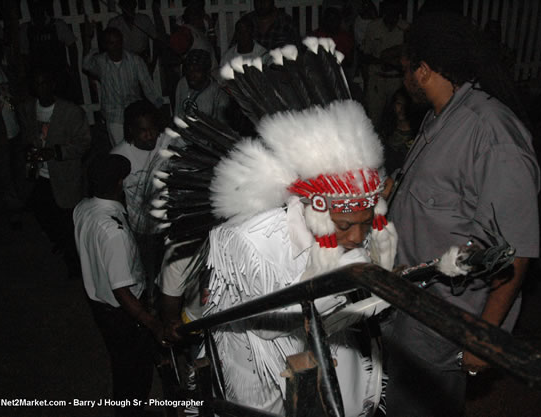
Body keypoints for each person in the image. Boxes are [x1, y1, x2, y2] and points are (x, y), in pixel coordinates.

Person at [158, 42, 398, 416]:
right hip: (254, 367)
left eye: (366, 225)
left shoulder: (352, 226)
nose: (356, 238)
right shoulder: (250, 240)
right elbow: (271, 326)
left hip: (320, 351)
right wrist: (345, 283)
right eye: (346, 225)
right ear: (313, 207)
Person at [386, 12, 540, 416]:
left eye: (405, 69)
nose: (402, 79)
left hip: (447, 318)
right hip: (411, 302)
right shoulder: (442, 115)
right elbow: (421, 190)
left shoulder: (491, 135)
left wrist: (482, 339)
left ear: (422, 70)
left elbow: (515, 251)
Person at [73, 154, 167, 417]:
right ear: (118, 184)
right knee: (133, 371)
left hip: (98, 304)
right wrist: (151, 322)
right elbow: (122, 291)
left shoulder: (82, 208)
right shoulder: (113, 232)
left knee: (121, 361)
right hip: (121, 314)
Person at [18, 68, 92, 279]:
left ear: (53, 85)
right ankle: (61, 245)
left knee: (68, 225)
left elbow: (84, 143)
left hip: (64, 177)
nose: (41, 88)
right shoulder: (27, 109)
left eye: (44, 83)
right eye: (37, 84)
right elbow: (26, 138)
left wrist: (56, 152)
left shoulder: (70, 112)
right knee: (41, 212)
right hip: (40, 176)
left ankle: (76, 268)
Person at [110, 100, 166, 297]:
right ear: (131, 130)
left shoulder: (166, 141)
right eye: (143, 131)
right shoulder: (119, 156)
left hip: (171, 224)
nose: (150, 135)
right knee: (149, 275)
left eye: (153, 129)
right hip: (143, 232)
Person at [82, 26, 164, 147]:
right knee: (121, 150)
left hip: (134, 113)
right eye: (111, 43)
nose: (115, 46)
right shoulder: (100, 62)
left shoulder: (135, 61)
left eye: (118, 42)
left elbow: (148, 86)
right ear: (105, 45)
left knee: (139, 148)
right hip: (114, 114)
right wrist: (88, 40)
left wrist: (159, 108)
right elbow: (86, 65)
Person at [0, 36, 23, 227]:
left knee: (17, 171)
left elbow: (19, 101)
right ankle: (13, 212)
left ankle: (19, 204)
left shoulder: (7, 73)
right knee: (4, 175)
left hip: (15, 131)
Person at [19, 0, 81, 103]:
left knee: (65, 104)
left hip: (59, 75)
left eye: (39, 6)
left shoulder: (57, 25)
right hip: (38, 77)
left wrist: (73, 67)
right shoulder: (26, 29)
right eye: (33, 6)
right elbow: (23, 55)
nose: (36, 9)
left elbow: (72, 45)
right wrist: (28, 74)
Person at [360, 0, 408, 126]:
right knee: (373, 118)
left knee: (397, 119)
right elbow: (365, 56)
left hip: (397, 80)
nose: (392, 14)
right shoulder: (373, 27)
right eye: (389, 11)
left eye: (395, 11)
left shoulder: (406, 28)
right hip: (377, 79)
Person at [174, 49, 229, 121]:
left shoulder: (218, 93)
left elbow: (222, 127)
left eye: (197, 71)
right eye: (189, 70)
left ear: (206, 72)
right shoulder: (182, 84)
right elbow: (177, 115)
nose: (192, 75)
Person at [107, 0, 158, 72]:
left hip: (142, 61)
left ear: (135, 4)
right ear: (120, 6)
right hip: (123, 63)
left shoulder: (144, 19)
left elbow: (156, 40)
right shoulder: (114, 23)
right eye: (125, 4)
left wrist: (153, 63)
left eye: (130, 3)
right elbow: (108, 46)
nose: (128, 7)